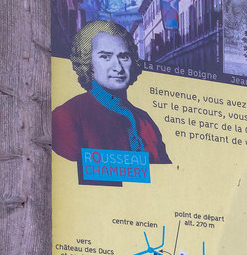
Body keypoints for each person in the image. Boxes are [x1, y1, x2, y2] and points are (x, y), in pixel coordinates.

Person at [51, 20, 171, 179]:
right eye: (106, 57)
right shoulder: (67, 116)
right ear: (88, 63)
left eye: (124, 56)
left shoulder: (145, 120)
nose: (118, 67)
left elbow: (167, 180)